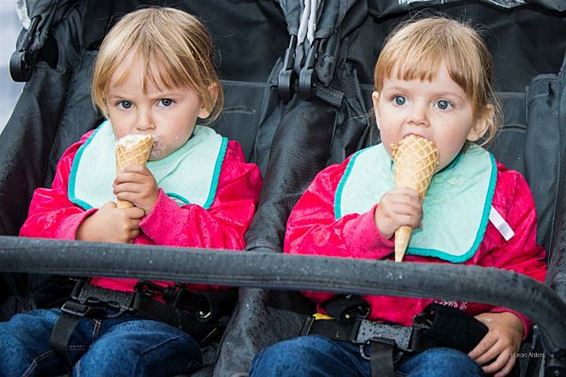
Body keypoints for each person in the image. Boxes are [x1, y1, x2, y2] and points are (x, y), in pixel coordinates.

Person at [250, 17, 546, 377]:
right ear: (377, 108)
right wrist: (371, 228)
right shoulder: (340, 180)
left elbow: (524, 271)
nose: (416, 119)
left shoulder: (501, 192)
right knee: (283, 362)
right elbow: (301, 260)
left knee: (450, 372)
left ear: (479, 121)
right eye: (400, 99)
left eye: (443, 105)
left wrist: (511, 321)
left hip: (437, 347)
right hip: (343, 339)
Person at [0, 7, 262, 377]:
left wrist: (160, 210)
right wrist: (85, 230)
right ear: (104, 103)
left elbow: (230, 258)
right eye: (125, 104)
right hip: (72, 308)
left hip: (160, 323)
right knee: (9, 342)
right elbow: (34, 231)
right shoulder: (85, 154)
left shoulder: (225, 167)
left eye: (165, 102)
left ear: (204, 100)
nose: (143, 122)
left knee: (112, 361)